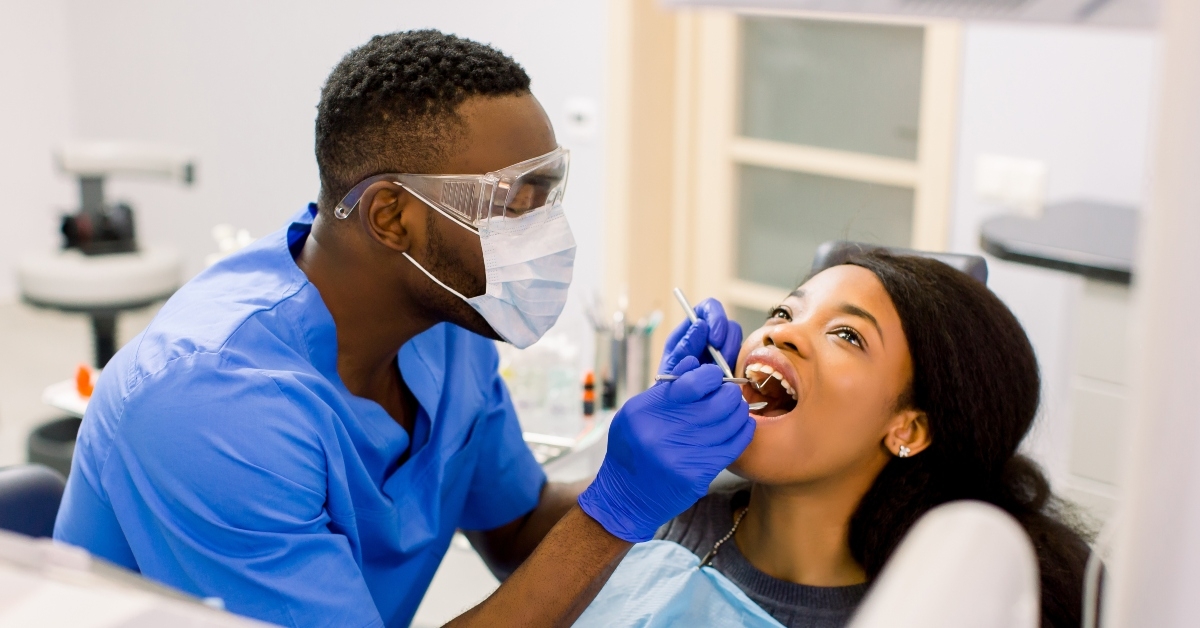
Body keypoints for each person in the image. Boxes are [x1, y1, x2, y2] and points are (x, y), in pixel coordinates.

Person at [53, 30, 755, 627]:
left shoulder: (445, 324)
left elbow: (514, 528)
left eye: (549, 197)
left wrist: (684, 452)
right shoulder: (209, 403)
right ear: (392, 217)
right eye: (514, 202)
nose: (547, 234)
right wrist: (619, 504)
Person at [577, 251, 1092, 628]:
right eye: (785, 312)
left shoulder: (914, 611)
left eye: (847, 335)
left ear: (908, 428)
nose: (781, 334)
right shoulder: (660, 516)